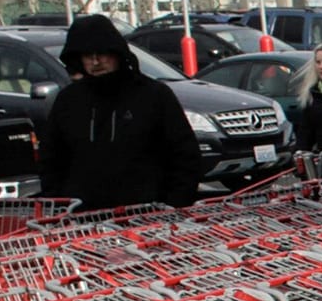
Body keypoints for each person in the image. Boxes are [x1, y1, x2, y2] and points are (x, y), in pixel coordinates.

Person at [40, 14, 203, 211]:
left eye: (101, 53)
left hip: (149, 217)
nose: (95, 61)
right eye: (87, 55)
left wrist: (175, 203)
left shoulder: (153, 95)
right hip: (83, 218)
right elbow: (51, 158)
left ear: (116, 52)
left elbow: (185, 154)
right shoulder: (69, 100)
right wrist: (59, 204)